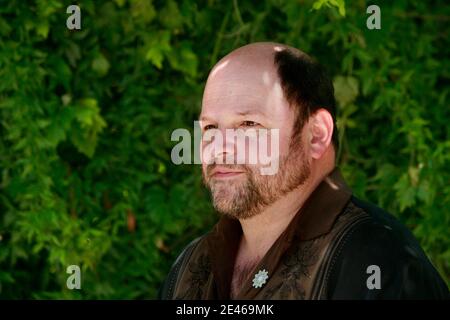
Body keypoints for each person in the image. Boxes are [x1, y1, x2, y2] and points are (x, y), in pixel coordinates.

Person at [159, 42, 448, 299]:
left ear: (317, 135)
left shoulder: (376, 262)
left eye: (248, 125)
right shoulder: (190, 265)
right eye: (210, 127)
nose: (220, 147)